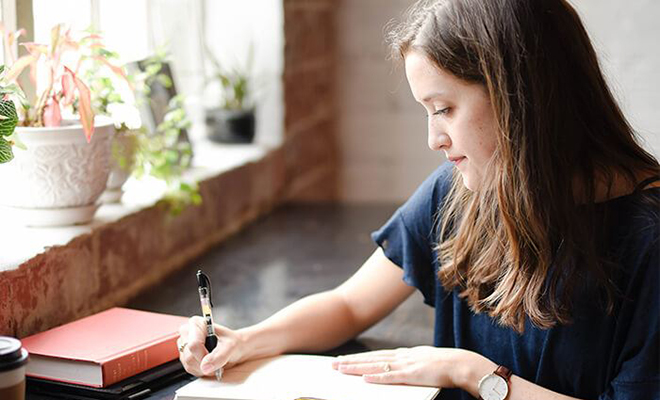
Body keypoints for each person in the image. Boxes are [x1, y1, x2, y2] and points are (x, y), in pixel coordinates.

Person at [178, 0, 660, 398]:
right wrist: (245, 341)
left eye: (445, 109)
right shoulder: (461, 191)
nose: (434, 139)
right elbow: (349, 305)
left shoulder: (650, 240)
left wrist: (474, 374)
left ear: (522, 97)